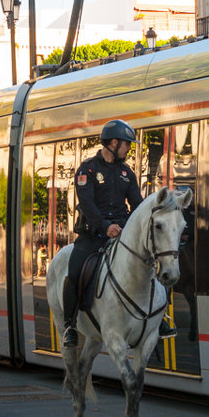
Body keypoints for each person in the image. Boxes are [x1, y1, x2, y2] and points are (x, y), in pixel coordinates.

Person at [61, 119, 176, 347]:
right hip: (93, 234)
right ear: (113, 142)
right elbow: (87, 204)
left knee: (155, 266)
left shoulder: (126, 172)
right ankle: (70, 326)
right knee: (74, 270)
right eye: (127, 144)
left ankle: (158, 318)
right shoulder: (88, 169)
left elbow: (137, 204)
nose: (129, 149)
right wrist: (105, 226)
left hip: (123, 232)